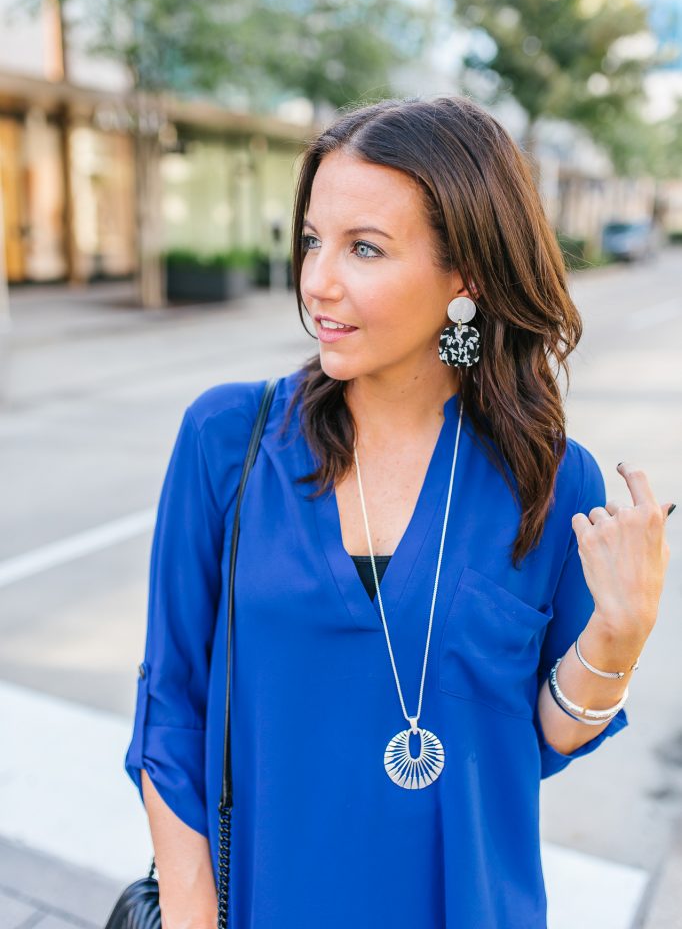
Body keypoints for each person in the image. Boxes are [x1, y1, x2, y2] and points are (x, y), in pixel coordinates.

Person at [124, 95, 673, 928]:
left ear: (467, 279)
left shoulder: (550, 482)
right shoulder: (228, 439)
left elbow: (540, 738)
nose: (318, 281)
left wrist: (618, 636)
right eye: (313, 239)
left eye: (365, 248)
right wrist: (194, 915)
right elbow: (171, 705)